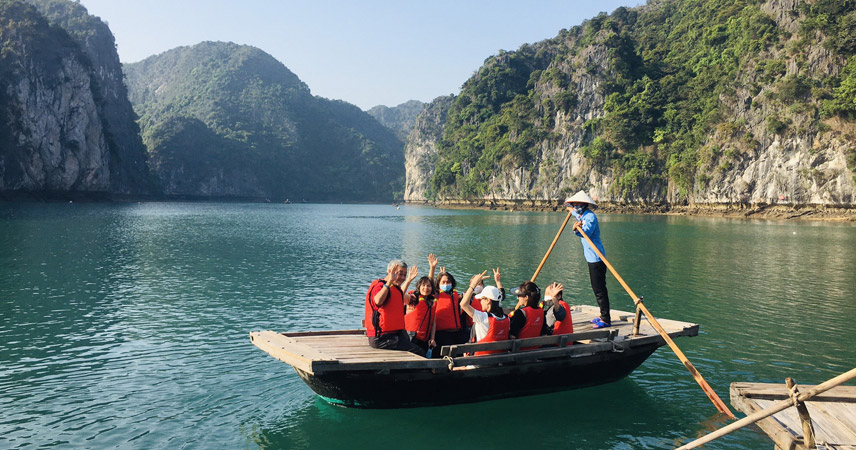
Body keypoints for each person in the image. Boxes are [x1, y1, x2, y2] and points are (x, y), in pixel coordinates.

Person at [565, 190, 611, 329]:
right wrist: (569, 207)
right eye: (575, 204)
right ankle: (603, 315)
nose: (576, 205)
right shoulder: (581, 214)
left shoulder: (590, 217)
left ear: (585, 204)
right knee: (595, 287)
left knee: (599, 289)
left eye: (578, 203)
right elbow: (574, 211)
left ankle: (606, 319)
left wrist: (575, 229)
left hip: (597, 258)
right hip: (590, 259)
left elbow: (586, 232)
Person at [364, 259, 423, 354]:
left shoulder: (395, 288)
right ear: (390, 272)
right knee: (418, 352)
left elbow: (401, 297)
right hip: (381, 337)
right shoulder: (380, 286)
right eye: (400, 273)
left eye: (404, 274)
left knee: (414, 342)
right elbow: (378, 301)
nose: (402, 277)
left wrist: (408, 280)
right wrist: (390, 281)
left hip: (393, 333)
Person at [459, 271, 509, 356]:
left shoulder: (482, 317)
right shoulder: (506, 318)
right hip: (496, 361)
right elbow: (501, 296)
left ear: (488, 300)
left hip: (478, 363)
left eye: (481, 299)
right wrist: (498, 282)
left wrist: (473, 285)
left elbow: (463, 304)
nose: (480, 301)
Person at [431, 269, 468, 355]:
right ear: (438, 284)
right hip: (442, 334)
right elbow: (431, 284)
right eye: (443, 282)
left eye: (448, 282)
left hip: (457, 332)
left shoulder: (455, 294)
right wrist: (432, 268)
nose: (446, 284)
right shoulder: (437, 294)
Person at [508, 281, 545, 349]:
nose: (518, 298)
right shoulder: (541, 312)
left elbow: (512, 336)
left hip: (519, 351)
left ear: (526, 297)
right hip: (535, 350)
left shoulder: (520, 313)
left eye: (519, 295)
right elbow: (544, 333)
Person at [405, 276, 437, 354]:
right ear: (419, 287)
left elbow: (433, 323)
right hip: (410, 338)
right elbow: (401, 296)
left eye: (429, 286)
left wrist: (432, 338)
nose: (426, 288)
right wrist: (408, 280)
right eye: (423, 285)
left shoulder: (432, 302)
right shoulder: (413, 299)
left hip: (424, 340)